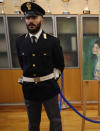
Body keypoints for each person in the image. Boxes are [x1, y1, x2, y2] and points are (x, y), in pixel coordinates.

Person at [16, 2, 64, 131]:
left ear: (41, 20)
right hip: (30, 88)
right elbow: (23, 63)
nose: (31, 21)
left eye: (34, 17)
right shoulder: (19, 41)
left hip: (48, 87)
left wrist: (53, 76)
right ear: (25, 20)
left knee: (55, 121)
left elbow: (60, 64)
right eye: (28, 18)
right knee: (33, 123)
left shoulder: (52, 41)